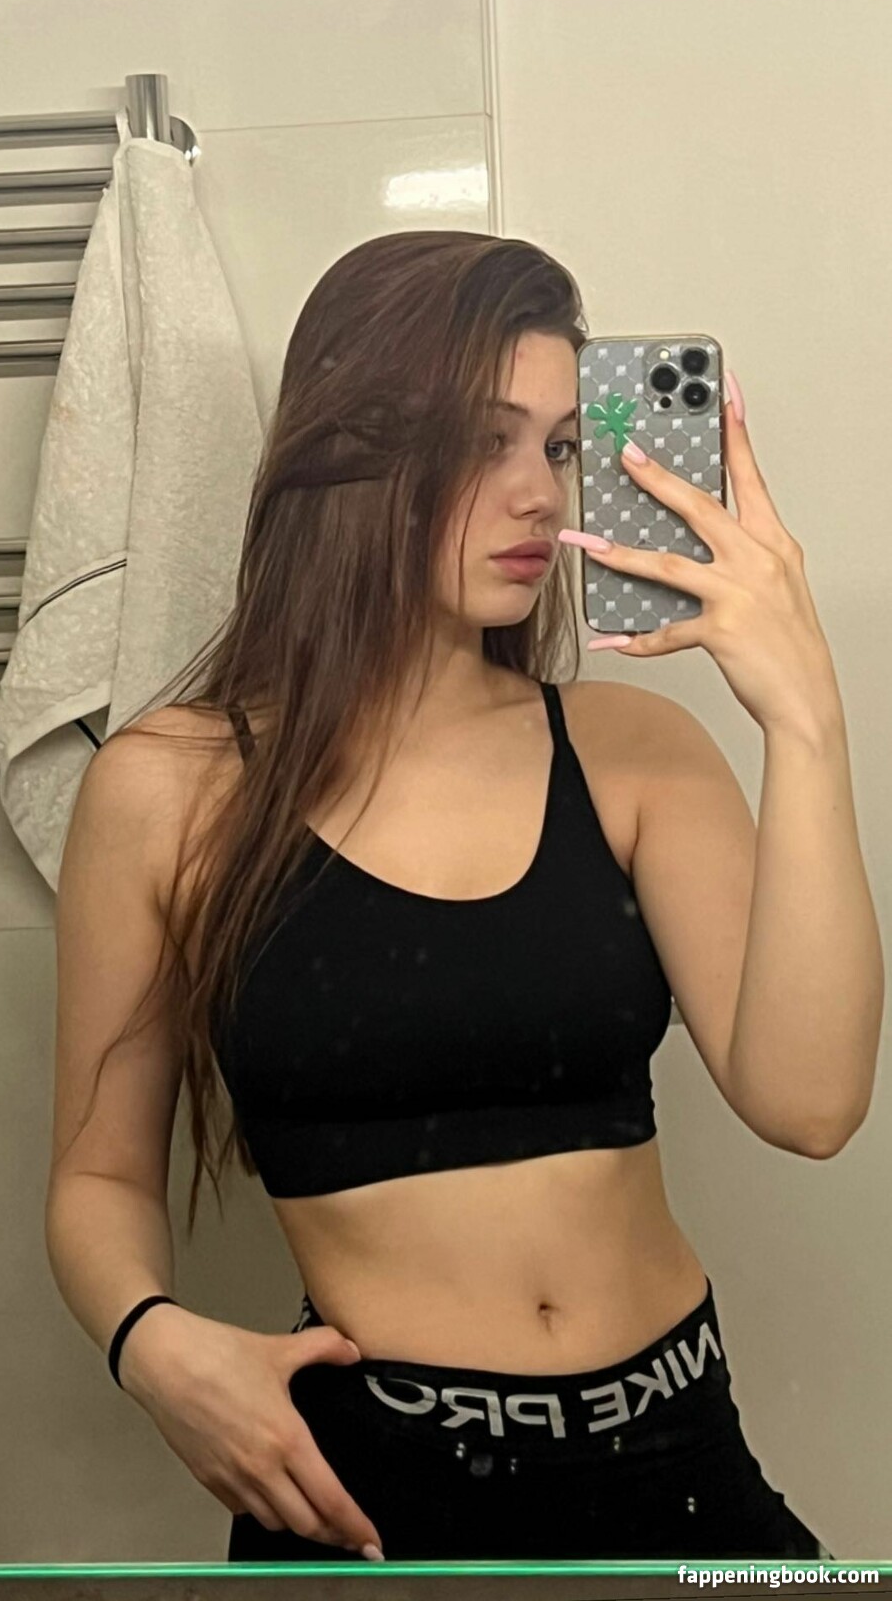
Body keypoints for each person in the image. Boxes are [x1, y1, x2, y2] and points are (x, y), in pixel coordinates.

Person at [46, 233, 843, 1562]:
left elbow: (810, 1104)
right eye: (485, 441)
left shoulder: (633, 752)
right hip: (368, 1492)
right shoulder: (171, 790)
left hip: (678, 1461)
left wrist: (806, 720)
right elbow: (96, 1171)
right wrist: (153, 1346)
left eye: (560, 447)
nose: (540, 494)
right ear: (351, 450)